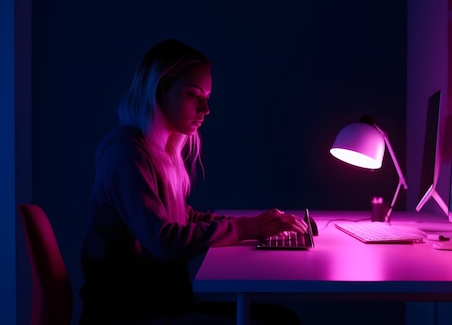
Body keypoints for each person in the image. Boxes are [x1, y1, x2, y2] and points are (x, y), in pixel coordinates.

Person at [79, 39, 306, 324]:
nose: (206, 108)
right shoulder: (126, 155)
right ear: (159, 91)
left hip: (159, 303)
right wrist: (249, 227)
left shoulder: (155, 150)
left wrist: (258, 224)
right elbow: (165, 240)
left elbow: (182, 217)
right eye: (193, 95)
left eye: (207, 96)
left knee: (279, 317)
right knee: (279, 321)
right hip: (132, 313)